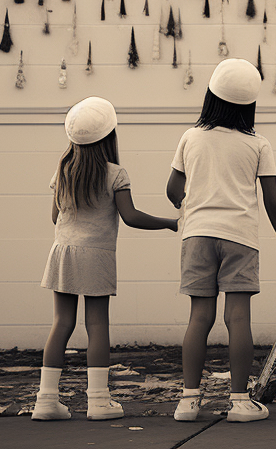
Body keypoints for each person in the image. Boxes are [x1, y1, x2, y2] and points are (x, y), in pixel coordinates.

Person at [167, 58, 276, 423]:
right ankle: (241, 401)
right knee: (238, 318)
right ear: (251, 104)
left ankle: (188, 401)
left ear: (210, 97)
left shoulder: (190, 136)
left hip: (197, 234)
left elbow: (173, 189)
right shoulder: (258, 144)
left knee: (199, 317)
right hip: (240, 238)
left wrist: (193, 208)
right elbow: (272, 200)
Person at [34, 97, 179, 421]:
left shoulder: (63, 170)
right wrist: (170, 223)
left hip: (62, 252)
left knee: (62, 323)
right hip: (96, 256)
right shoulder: (115, 173)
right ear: (108, 137)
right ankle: (98, 401)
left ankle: (46, 400)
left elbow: (55, 216)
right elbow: (130, 216)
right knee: (97, 325)